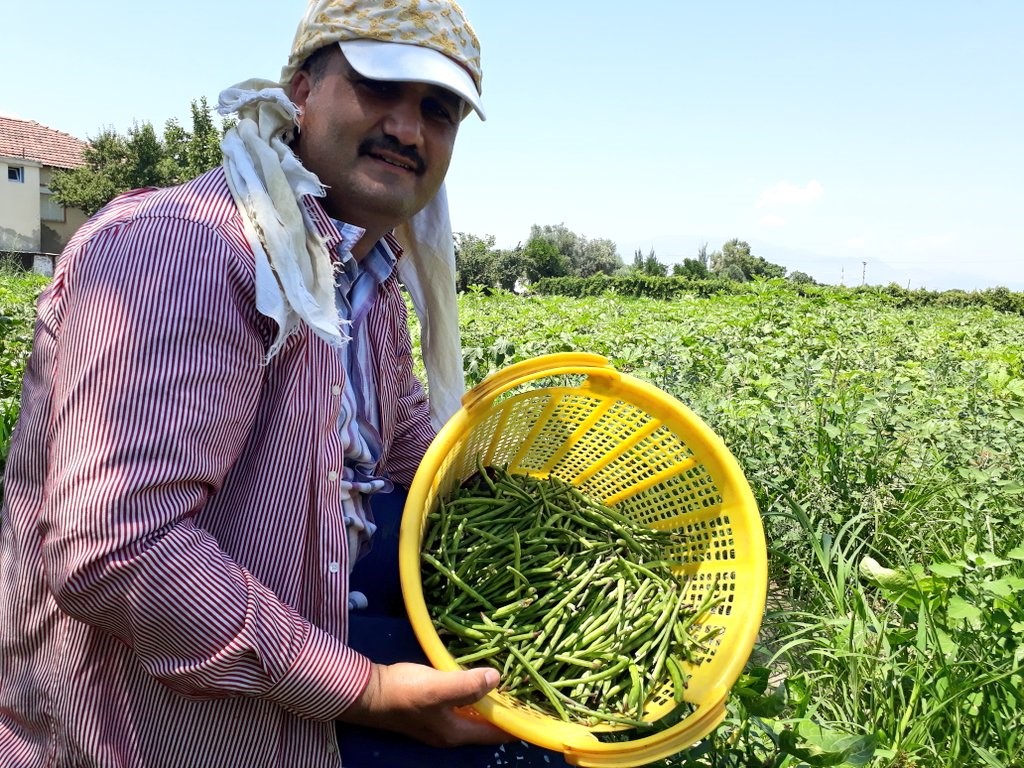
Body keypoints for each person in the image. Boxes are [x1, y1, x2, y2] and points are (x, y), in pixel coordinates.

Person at [0, 1, 558, 765]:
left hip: (311, 628)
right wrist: (365, 691)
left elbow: (407, 461)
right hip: (151, 728)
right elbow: (120, 552)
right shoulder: (184, 254)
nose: (407, 128)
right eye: (377, 88)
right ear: (300, 90)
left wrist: (541, 518)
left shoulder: (365, 277)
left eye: (439, 110)